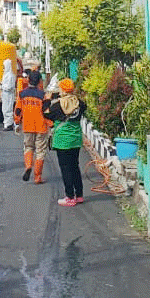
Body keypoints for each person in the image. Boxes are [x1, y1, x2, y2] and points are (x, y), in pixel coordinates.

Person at [43, 78, 87, 206]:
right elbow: (84, 107)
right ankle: (79, 195)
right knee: (75, 166)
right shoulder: (79, 103)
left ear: (61, 89)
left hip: (62, 140)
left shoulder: (58, 106)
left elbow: (46, 114)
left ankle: (69, 197)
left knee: (65, 168)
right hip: (76, 139)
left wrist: (47, 100)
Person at [14, 70, 49, 184]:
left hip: (28, 126)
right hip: (41, 126)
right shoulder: (42, 96)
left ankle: (28, 166)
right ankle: (37, 177)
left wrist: (17, 122)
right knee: (40, 151)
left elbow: (18, 110)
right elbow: (46, 112)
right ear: (39, 81)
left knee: (28, 147)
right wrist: (51, 125)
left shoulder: (22, 94)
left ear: (28, 80)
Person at [0, 59, 16, 131]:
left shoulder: (10, 76)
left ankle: (9, 124)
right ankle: (7, 123)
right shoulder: (6, 75)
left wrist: (2, 86)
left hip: (8, 95)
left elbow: (9, 87)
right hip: (5, 95)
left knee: (8, 109)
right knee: (5, 109)